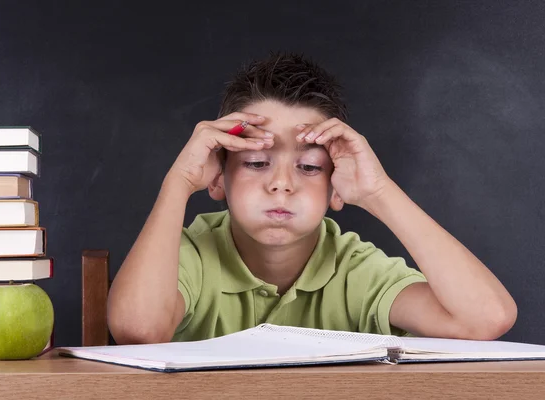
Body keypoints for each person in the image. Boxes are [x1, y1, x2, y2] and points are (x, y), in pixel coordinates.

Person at [107, 52, 517, 345]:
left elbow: (486, 318)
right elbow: (139, 329)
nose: (281, 184)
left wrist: (378, 191)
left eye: (308, 167)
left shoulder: (354, 269)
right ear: (217, 178)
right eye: (255, 163)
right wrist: (178, 181)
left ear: (335, 185)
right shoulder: (189, 256)